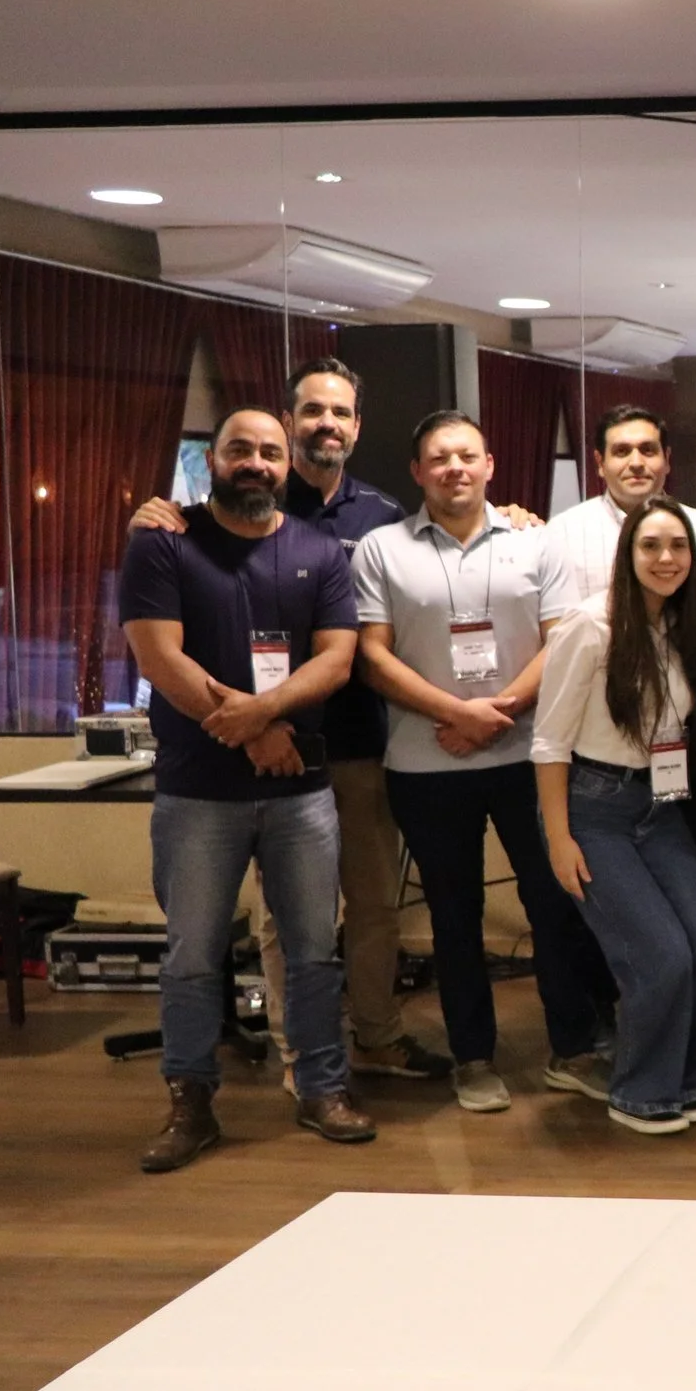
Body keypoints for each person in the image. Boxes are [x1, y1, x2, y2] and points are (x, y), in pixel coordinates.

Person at [128, 358, 451, 1084]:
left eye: (340, 412)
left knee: (372, 904)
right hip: (241, 748)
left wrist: (518, 518)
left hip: (356, 742)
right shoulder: (222, 510)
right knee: (289, 920)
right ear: (288, 421)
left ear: (357, 426)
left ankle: (375, 1034)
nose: (325, 424)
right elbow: (162, 642)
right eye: (311, 411)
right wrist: (256, 724)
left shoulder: (385, 516)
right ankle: (298, 1051)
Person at [120, 407, 377, 1170]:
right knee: (193, 956)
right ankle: (191, 1102)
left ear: (286, 462)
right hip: (198, 790)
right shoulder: (164, 541)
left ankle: (321, 1088)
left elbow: (336, 659)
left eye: (270, 451)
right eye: (241, 449)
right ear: (214, 459)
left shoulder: (318, 550)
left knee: (312, 951)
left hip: (302, 791)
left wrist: (264, 714)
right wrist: (254, 731)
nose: (257, 462)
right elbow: (159, 658)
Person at [353, 410, 614, 1114]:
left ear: (490, 464)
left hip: (528, 757)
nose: (455, 468)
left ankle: (573, 1049)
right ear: (418, 472)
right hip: (426, 763)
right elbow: (371, 654)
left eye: (467, 455)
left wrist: (496, 710)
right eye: (439, 458)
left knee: (555, 904)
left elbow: (564, 640)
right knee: (454, 916)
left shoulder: (536, 542)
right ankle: (473, 1058)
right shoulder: (381, 549)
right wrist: (455, 712)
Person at [534, 497, 696, 1135]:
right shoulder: (590, 626)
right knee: (661, 955)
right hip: (593, 809)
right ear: (628, 554)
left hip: (660, 805)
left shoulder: (684, 625)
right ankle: (640, 1094)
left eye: (678, 546)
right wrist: (559, 838)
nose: (666, 558)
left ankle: (683, 1083)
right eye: (651, 546)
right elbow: (549, 743)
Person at [544, 404, 696, 599]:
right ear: (600, 463)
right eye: (621, 451)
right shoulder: (562, 534)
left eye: (648, 450)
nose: (636, 463)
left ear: (666, 459)